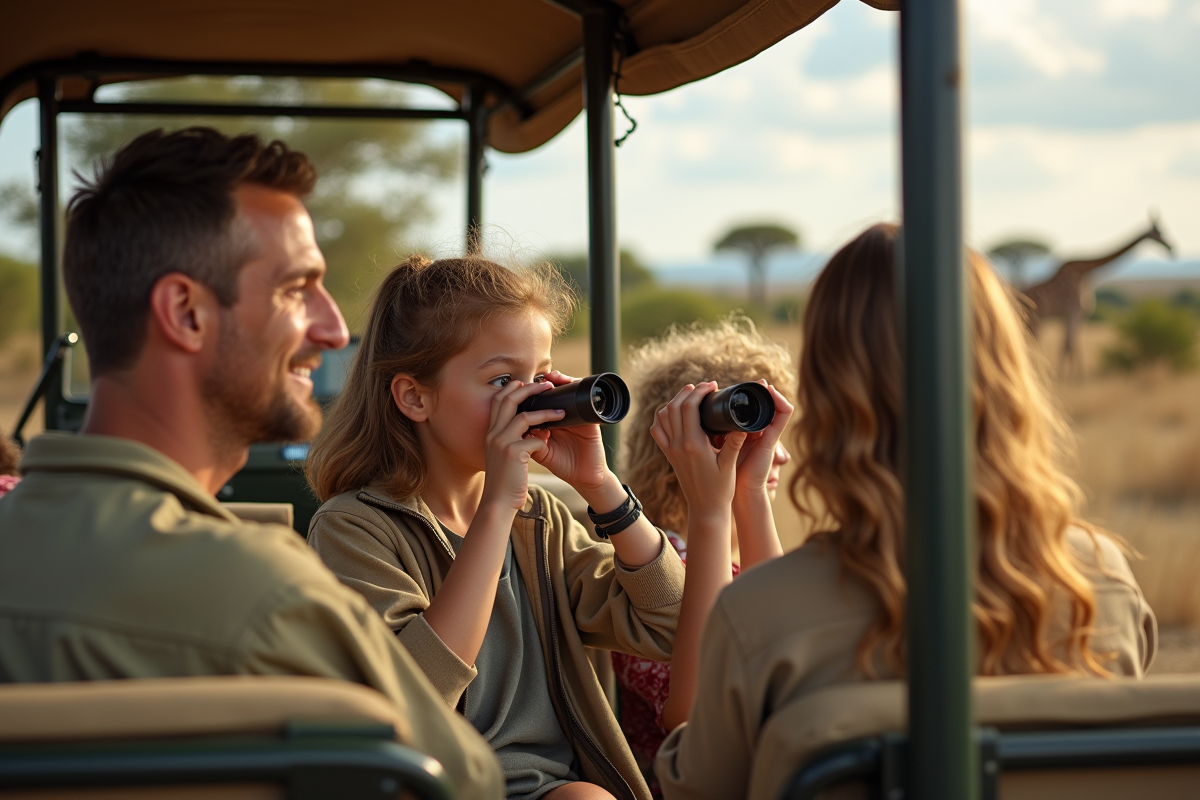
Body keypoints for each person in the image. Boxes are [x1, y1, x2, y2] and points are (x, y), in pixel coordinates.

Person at [0, 127, 503, 800]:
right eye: (298, 289)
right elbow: (467, 785)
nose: (330, 331)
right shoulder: (275, 598)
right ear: (185, 312)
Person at [654, 223, 1157, 800]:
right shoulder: (1106, 581)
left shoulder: (764, 615)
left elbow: (694, 778)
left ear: (827, 392)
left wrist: (712, 517)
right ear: (1007, 377)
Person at [304, 254, 687, 800]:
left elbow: (670, 624)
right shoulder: (354, 529)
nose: (530, 401)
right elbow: (413, 693)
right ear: (415, 397)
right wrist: (497, 508)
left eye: (541, 377)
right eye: (503, 380)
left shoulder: (543, 520)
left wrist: (602, 486)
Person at [612, 318, 794, 793]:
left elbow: (783, 653)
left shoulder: (743, 552)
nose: (781, 455)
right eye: (747, 426)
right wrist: (711, 510)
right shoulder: (650, 562)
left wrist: (748, 493)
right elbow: (695, 718)